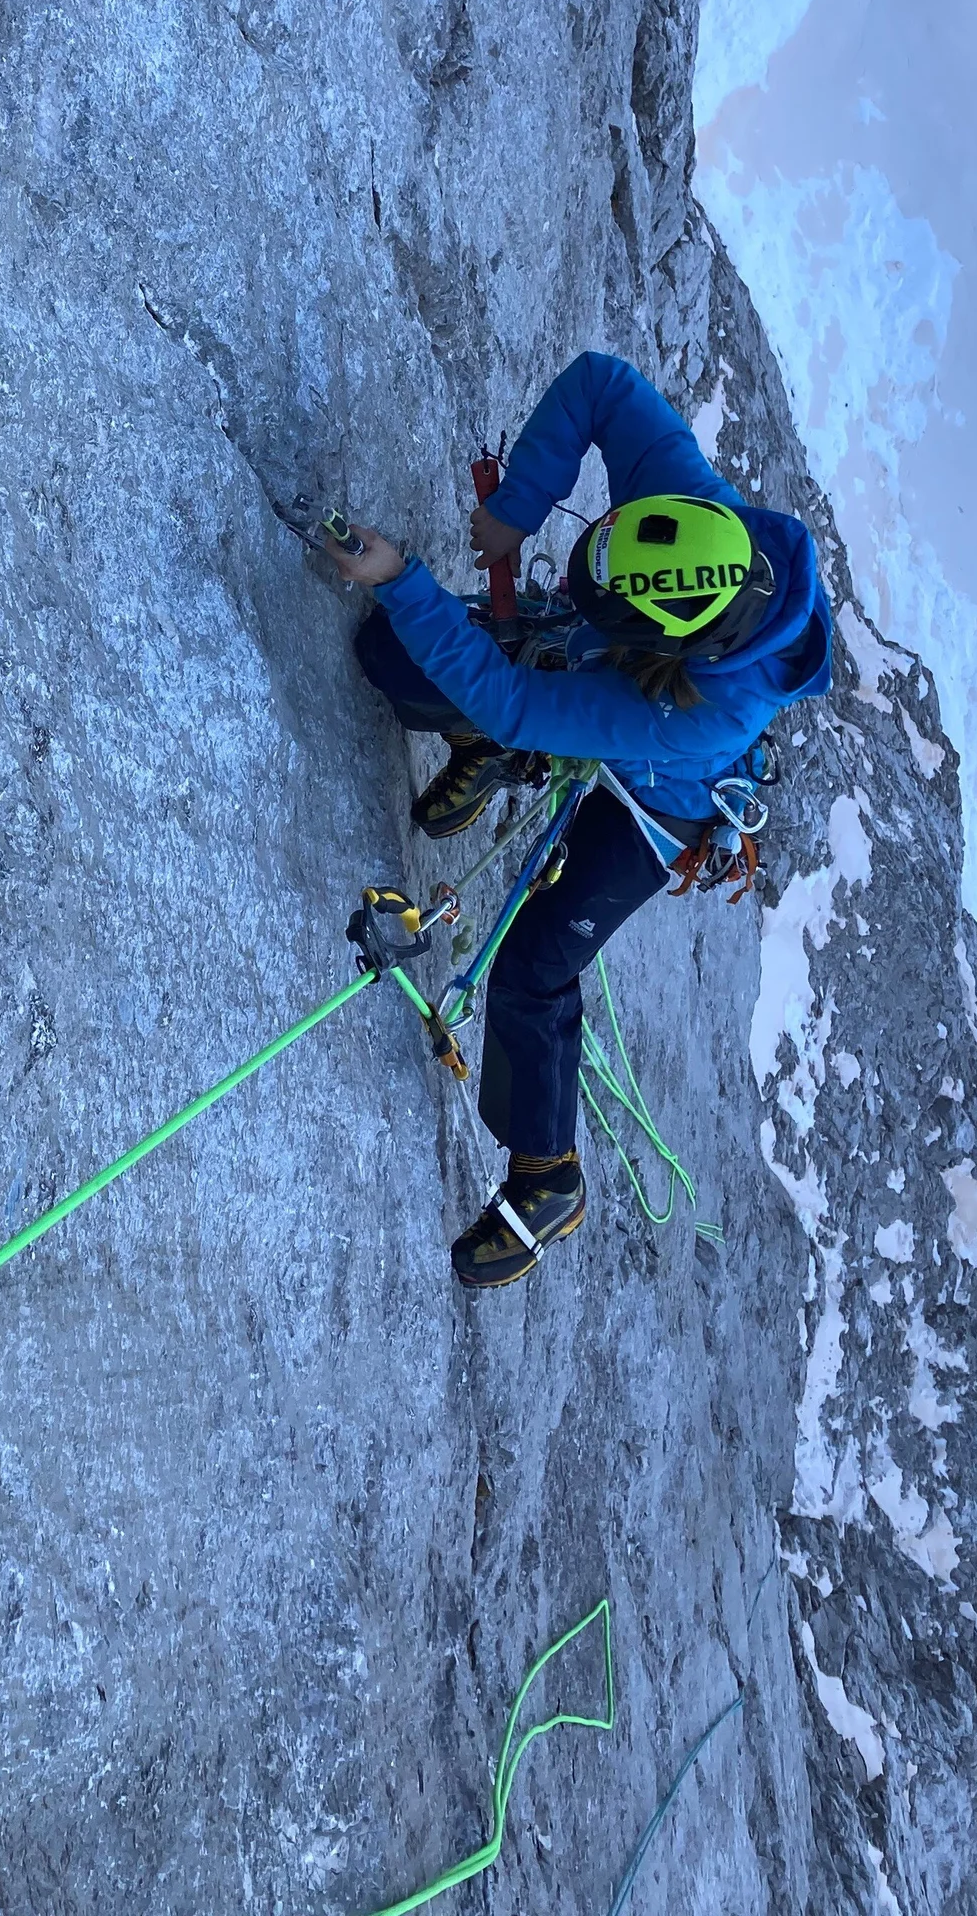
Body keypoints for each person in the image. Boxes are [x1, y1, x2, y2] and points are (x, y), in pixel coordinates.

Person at [329, 350, 831, 1289]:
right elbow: (602, 384)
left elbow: (518, 703)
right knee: (395, 658)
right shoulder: (695, 515)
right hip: (603, 673)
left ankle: (546, 1178)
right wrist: (519, 506)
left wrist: (401, 577)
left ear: (670, 640)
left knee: (533, 964)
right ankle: (486, 754)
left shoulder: (693, 712)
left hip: (663, 806)